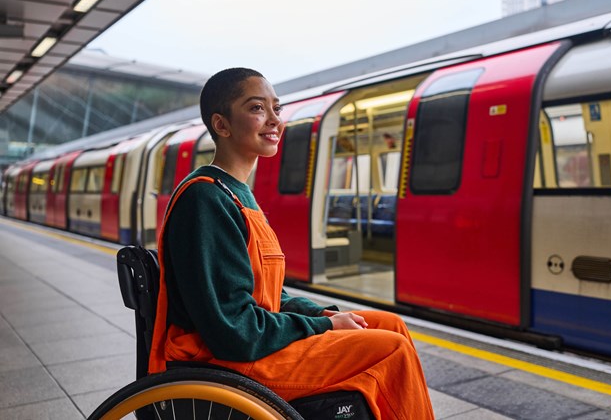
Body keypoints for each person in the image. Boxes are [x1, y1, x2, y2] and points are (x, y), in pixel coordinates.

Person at [148, 67, 435, 419]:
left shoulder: (232, 193)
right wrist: (324, 327)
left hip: (248, 348)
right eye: (256, 109)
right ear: (221, 125)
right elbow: (234, 330)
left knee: (390, 325)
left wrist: (322, 314)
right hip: (228, 362)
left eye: (276, 109)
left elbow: (268, 295)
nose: (274, 121)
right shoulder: (206, 199)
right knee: (389, 349)